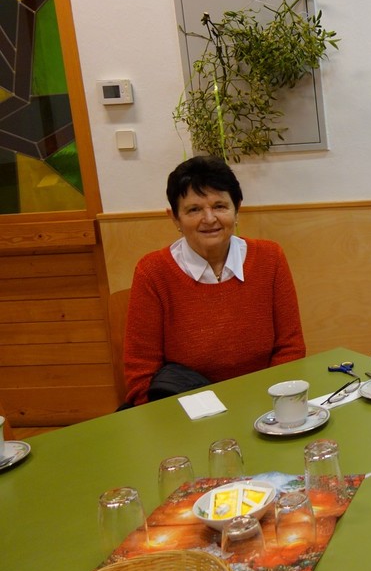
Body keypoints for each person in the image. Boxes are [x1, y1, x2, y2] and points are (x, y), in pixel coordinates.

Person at [123, 156, 306, 406]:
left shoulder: (270, 258)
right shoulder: (152, 272)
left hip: (265, 405)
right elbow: (141, 374)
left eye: (220, 206)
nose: (209, 219)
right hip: (186, 413)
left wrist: (270, 406)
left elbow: (290, 349)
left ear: (237, 208)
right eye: (194, 209)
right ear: (174, 218)